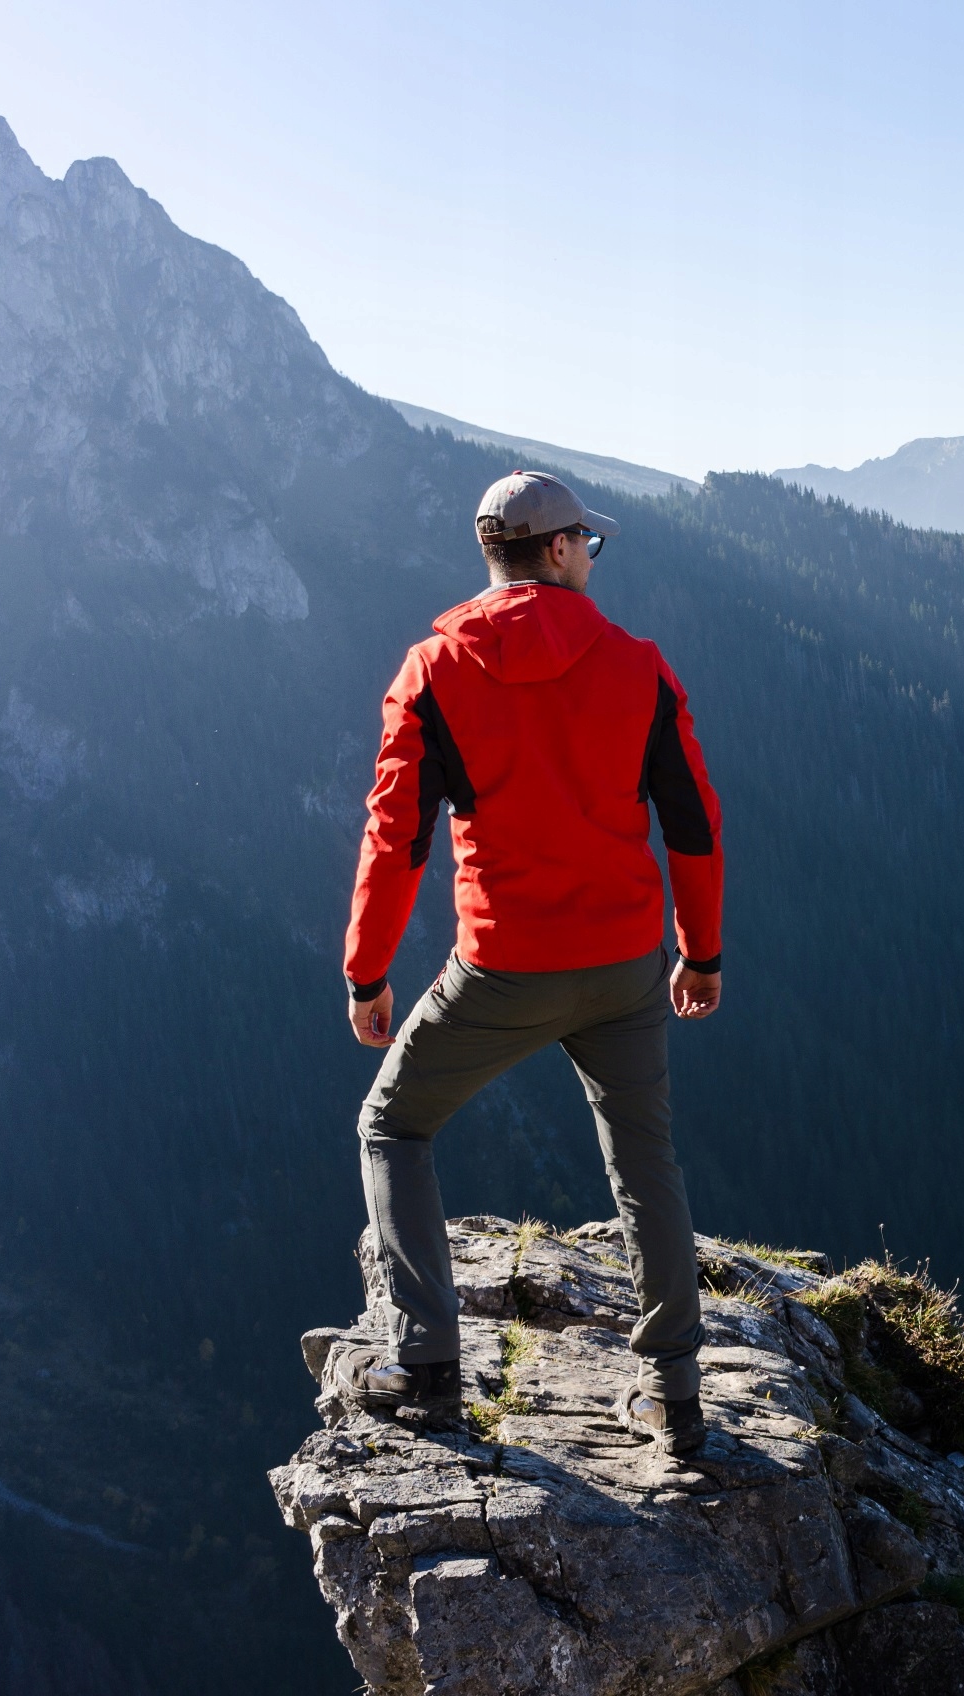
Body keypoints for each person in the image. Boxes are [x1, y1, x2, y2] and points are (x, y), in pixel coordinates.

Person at [341, 470, 723, 1455]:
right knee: (644, 1159)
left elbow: (394, 836)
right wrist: (701, 951)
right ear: (557, 550)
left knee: (393, 1123)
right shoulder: (638, 665)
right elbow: (692, 823)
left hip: (502, 967)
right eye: (588, 542)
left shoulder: (434, 669)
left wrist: (367, 972)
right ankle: (673, 1397)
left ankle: (425, 1367)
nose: (592, 555)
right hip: (625, 961)